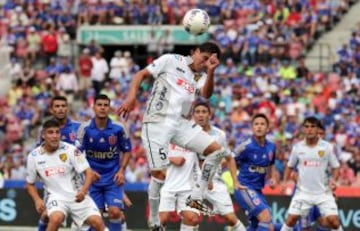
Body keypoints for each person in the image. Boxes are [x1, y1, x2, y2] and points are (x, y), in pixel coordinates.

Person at [117, 42, 234, 229]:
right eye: (204, 59)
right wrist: (131, 98)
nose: (205, 63)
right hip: (157, 122)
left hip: (181, 124)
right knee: (159, 173)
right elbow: (141, 74)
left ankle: (196, 197)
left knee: (217, 151)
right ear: (194, 52)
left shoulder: (201, 76)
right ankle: (154, 219)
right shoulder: (170, 60)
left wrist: (211, 71)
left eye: (209, 62)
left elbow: (206, 94)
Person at [26, 119, 108, 231]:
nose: (55, 136)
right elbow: (30, 184)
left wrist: (83, 191)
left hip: (77, 195)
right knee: (55, 219)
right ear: (43, 135)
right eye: (50, 132)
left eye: (57, 132)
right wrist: (37, 200)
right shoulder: (34, 156)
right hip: (56, 197)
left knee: (98, 223)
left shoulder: (71, 150)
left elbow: (88, 172)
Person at [77, 94, 132, 231]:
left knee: (115, 212)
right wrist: (87, 171)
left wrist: (121, 171)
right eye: (99, 105)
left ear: (109, 108)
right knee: (96, 219)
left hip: (113, 179)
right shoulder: (85, 128)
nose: (102, 108)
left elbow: (127, 150)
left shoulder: (118, 128)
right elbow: (76, 154)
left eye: (105, 105)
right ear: (93, 107)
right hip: (93, 180)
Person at [280, 117, 343, 231]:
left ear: (317, 129)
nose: (310, 129)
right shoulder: (297, 148)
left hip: (323, 193)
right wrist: (284, 182)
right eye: (307, 126)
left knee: (333, 221)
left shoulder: (326, 147)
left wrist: (334, 180)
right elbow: (290, 166)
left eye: (313, 126)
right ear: (303, 129)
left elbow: (336, 167)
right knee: (291, 219)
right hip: (303, 193)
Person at [193, 101, 246, 231]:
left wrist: (235, 182)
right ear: (193, 115)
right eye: (197, 112)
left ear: (209, 115)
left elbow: (229, 158)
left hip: (215, 182)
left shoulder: (219, 135)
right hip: (192, 182)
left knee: (230, 218)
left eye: (204, 112)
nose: (200, 115)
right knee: (191, 219)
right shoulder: (188, 134)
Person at [37, 96, 84, 231]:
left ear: (67, 108)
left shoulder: (78, 128)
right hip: (54, 181)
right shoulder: (44, 130)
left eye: (63, 106)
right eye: (57, 106)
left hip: (76, 182)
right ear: (51, 110)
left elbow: (85, 152)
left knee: (84, 221)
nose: (60, 109)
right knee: (51, 218)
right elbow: (38, 153)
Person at [234, 113, 277, 231]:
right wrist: (235, 181)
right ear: (252, 128)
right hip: (244, 188)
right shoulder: (246, 146)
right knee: (265, 216)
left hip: (258, 190)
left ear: (267, 128)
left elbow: (271, 163)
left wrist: (272, 177)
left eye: (262, 124)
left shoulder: (271, 147)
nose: (259, 126)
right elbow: (230, 159)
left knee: (260, 225)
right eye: (256, 124)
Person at [158, 143, 201, 230]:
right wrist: (171, 159)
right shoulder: (165, 139)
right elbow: (155, 159)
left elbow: (203, 161)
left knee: (193, 219)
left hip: (189, 187)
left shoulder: (194, 140)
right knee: (162, 220)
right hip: (169, 186)